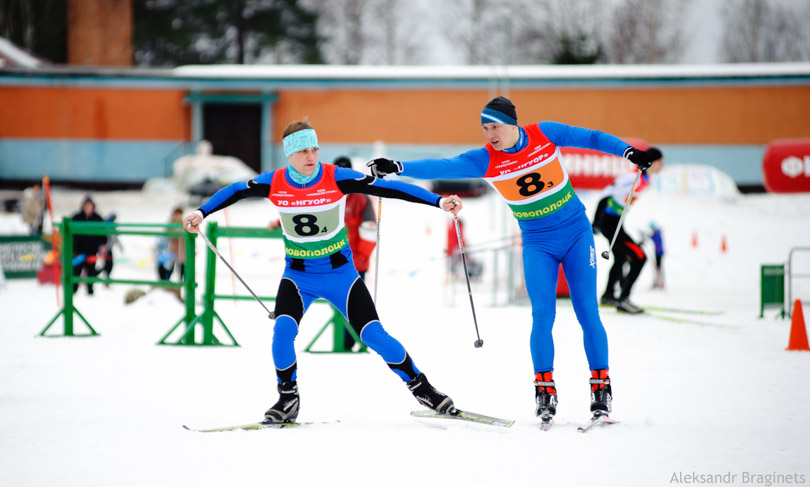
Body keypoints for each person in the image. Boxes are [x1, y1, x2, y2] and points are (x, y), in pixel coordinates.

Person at [366, 96, 655, 423]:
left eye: (495, 126)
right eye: (485, 128)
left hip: (576, 233)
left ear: (512, 123)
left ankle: (600, 389)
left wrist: (627, 152)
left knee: (587, 311)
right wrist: (399, 167)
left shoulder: (544, 134)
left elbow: (589, 138)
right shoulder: (484, 159)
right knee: (542, 315)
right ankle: (545, 391)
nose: (490, 133)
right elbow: (443, 165)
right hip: (537, 242)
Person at [184, 118, 465, 424]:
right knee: (282, 333)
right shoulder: (274, 181)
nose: (311, 156)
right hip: (298, 276)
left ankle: (424, 389)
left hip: (340, 275)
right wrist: (201, 212)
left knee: (374, 335)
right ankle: (287, 398)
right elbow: (236, 190)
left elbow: (388, 188)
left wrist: (438, 201)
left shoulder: (336, 177)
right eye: (303, 150)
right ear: (289, 155)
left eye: (314, 149)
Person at [592, 147, 664, 313]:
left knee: (621, 257)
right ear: (651, 162)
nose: (662, 165)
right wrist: (596, 221)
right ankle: (623, 299)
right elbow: (606, 194)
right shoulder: (633, 177)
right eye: (660, 162)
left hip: (616, 222)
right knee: (639, 257)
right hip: (609, 222)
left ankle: (609, 295)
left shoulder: (645, 179)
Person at [332, 156, 377, 350]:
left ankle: (356, 343)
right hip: (330, 263)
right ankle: (343, 344)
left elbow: (369, 231)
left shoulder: (361, 198)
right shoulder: (326, 197)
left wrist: (358, 259)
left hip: (355, 264)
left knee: (356, 306)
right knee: (336, 305)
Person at [70, 195, 107, 295]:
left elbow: (103, 233)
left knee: (91, 272)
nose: (88, 208)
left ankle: (90, 290)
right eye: (86, 206)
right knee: (76, 272)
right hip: (78, 252)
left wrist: (103, 245)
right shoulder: (76, 218)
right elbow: (69, 233)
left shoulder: (98, 218)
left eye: (90, 206)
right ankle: (73, 291)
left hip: (92, 251)